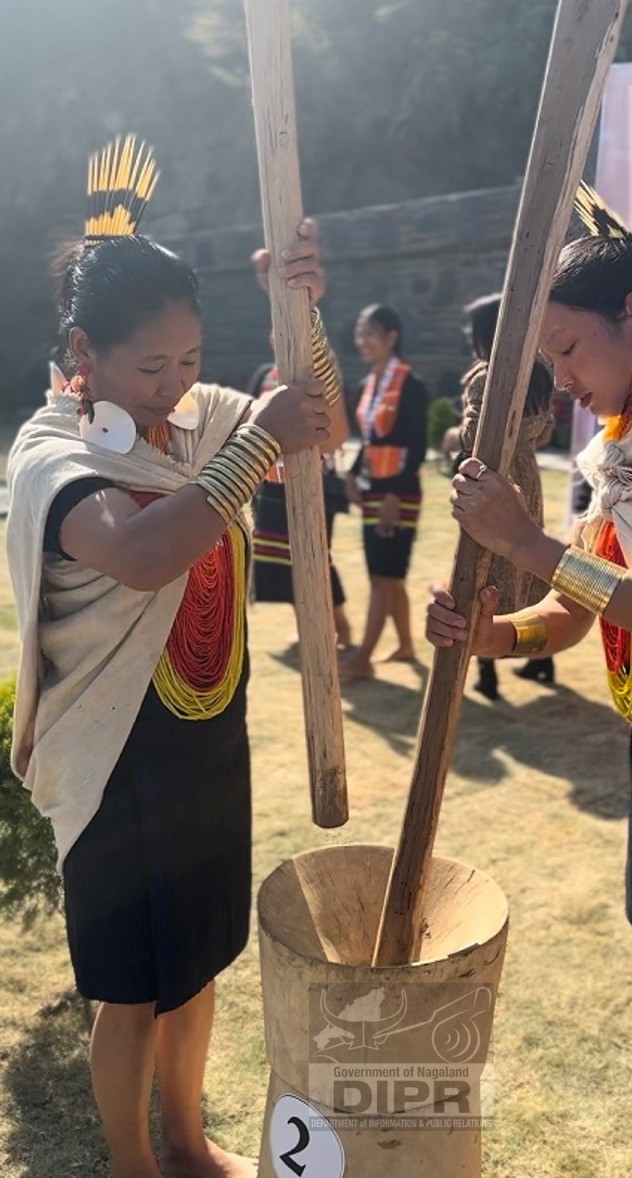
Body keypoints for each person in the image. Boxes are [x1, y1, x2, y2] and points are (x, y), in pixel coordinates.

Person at [5, 137, 346, 1178]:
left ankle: (190, 1141)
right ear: (83, 351)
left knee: (198, 962)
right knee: (132, 985)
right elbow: (146, 554)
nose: (174, 386)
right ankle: (133, 1161)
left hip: (205, 736)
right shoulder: (51, 453)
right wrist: (256, 443)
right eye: (151, 367)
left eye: (191, 361)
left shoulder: (197, 424)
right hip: (115, 760)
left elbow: (317, 423)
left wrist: (304, 314)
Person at [427, 189, 632, 1178]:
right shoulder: (620, 442)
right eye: (549, 361)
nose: (561, 379)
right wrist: (488, 633)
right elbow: (576, 612)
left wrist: (527, 542)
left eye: (569, 350)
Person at [454, 292, 555, 700]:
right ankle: (542, 657)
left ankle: (486, 673)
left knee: (485, 570)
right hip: (527, 475)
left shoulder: (486, 375)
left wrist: (455, 435)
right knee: (529, 564)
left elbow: (471, 435)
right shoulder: (541, 370)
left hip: (492, 478)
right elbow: (546, 430)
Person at [247, 340, 353, 652]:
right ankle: (307, 630)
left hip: (312, 483)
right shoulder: (265, 375)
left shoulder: (320, 377)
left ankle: (342, 631)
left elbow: (335, 430)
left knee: (316, 560)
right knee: (285, 563)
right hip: (271, 485)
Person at [341, 304, 428, 679]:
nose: (363, 341)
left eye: (370, 334)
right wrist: (351, 474)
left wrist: (395, 494)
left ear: (392, 337)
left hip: (399, 492)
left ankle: (362, 660)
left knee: (383, 575)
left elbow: (417, 446)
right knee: (388, 575)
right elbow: (370, 440)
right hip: (373, 488)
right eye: (360, 333)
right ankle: (406, 646)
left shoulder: (411, 385)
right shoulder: (368, 384)